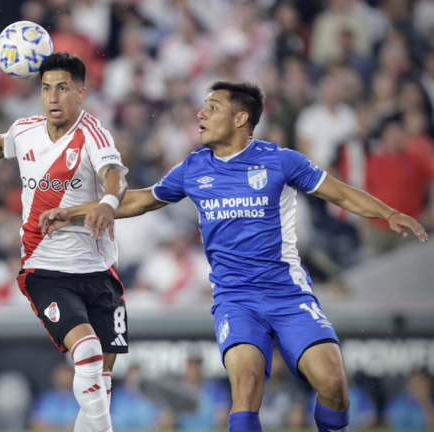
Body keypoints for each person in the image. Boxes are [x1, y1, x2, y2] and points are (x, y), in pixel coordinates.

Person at [39, 81, 429, 432]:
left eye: (212, 107)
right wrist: (72, 212)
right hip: (235, 300)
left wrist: (388, 213)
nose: (201, 114)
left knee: (334, 386)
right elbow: (142, 200)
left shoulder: (281, 161)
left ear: (241, 119)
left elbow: (340, 193)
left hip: (287, 294)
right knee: (246, 384)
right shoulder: (194, 167)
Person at [0, 52, 128, 432]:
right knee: (87, 350)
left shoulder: (94, 134)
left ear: (81, 93)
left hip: (99, 270)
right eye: (46, 88)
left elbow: (115, 175)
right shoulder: (25, 131)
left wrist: (107, 203)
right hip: (45, 269)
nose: (53, 97)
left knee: (101, 382)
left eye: (63, 88)